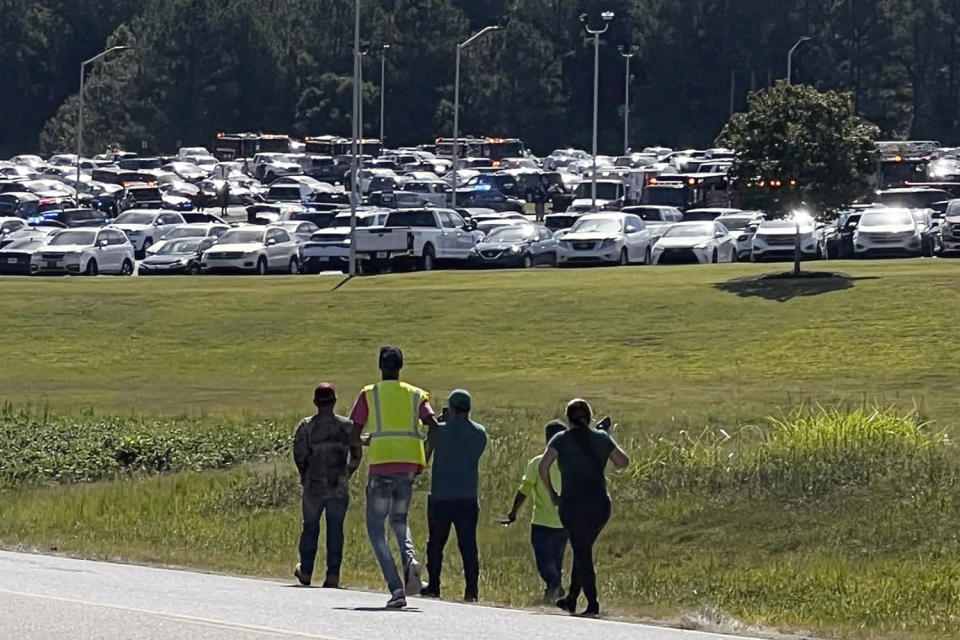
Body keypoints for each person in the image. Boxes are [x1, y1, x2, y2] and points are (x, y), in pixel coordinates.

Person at [350, 346, 440, 609]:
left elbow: (353, 433)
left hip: (381, 466)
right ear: (401, 367)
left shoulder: (370, 394)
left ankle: (396, 588)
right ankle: (409, 558)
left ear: (380, 366)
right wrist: (426, 454)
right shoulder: (415, 395)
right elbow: (434, 426)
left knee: (377, 531)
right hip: (409, 465)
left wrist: (368, 441)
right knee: (399, 520)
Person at [539, 399, 629, 618]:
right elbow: (622, 462)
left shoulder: (561, 439)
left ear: (568, 419)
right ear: (590, 417)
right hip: (600, 505)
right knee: (583, 548)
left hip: (573, 504)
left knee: (583, 551)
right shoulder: (601, 438)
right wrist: (606, 437)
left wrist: (553, 494)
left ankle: (592, 603)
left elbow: (543, 466)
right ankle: (571, 598)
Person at [292, 383, 361, 588]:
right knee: (335, 529)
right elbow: (356, 454)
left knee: (310, 527)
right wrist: (347, 473)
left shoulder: (306, 426)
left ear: (315, 402)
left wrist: (304, 474)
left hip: (313, 486)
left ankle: (306, 570)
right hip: (338, 486)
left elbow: (299, 455)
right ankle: (333, 574)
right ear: (334, 401)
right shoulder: (347, 426)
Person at [421, 389, 487, 602]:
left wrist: (440, 425)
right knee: (468, 545)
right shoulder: (479, 433)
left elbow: (425, 454)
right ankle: (471, 591)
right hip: (467, 497)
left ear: (451, 408)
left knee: (436, 544)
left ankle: (434, 586)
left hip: (441, 496)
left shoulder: (439, 431)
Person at [502, 420, 568, 601]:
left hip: (542, 522)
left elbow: (523, 491)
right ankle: (555, 589)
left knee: (544, 561)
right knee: (556, 559)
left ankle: (554, 586)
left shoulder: (538, 463)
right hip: (565, 523)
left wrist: (513, 512)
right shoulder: (571, 464)